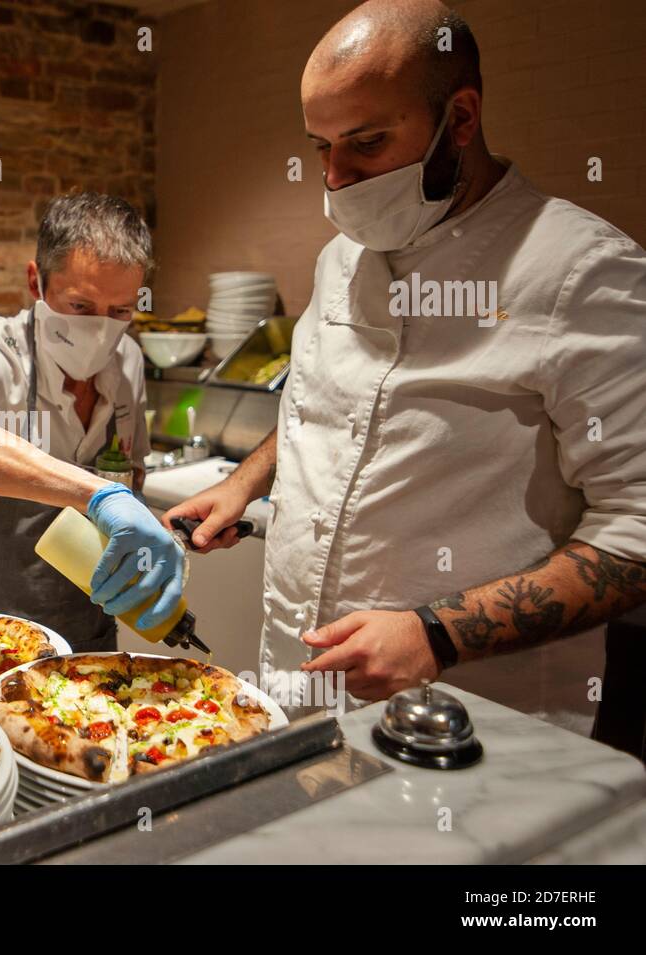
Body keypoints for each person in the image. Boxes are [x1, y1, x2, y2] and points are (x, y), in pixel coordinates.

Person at [164, 0, 646, 718]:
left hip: (473, 717)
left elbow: (636, 525)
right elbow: (322, 402)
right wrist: (246, 481)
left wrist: (437, 633)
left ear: (461, 118)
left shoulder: (580, 273)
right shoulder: (339, 261)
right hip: (296, 686)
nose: (334, 178)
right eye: (321, 147)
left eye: (366, 143)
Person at [0, 192, 182, 651]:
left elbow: (132, 471)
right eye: (81, 307)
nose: (102, 330)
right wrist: (98, 495)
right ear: (36, 281)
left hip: (89, 637)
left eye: (121, 311)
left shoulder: (128, 360)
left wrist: (156, 534)